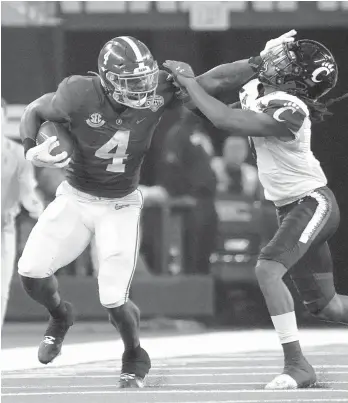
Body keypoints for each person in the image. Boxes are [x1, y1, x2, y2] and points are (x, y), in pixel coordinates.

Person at [18, 33, 290, 388]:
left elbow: (212, 81)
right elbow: (35, 110)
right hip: (76, 195)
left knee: (113, 296)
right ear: (107, 80)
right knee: (30, 271)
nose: (142, 89)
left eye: (145, 80)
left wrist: (259, 61)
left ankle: (134, 354)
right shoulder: (78, 91)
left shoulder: (157, 90)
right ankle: (60, 315)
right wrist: (29, 148)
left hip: (119, 203)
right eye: (132, 83)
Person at [163, 32, 348, 390]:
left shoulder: (291, 109)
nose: (278, 63)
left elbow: (226, 121)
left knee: (266, 269)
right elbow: (201, 102)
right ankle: (298, 364)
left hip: (312, 201)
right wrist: (248, 63)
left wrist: (190, 81)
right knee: (328, 307)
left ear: (298, 78)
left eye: (288, 62)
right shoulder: (262, 92)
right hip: (291, 207)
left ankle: (297, 366)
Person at [1, 99, 44, 327]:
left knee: (0, 289)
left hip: (3, 229)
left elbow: (29, 194)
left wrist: (41, 213)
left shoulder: (18, 155)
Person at [157, 110, 217, 275]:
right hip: (191, 200)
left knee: (207, 246)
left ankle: (204, 283)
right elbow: (171, 166)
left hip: (208, 199)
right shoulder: (177, 133)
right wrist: (181, 194)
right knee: (191, 247)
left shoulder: (202, 135)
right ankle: (190, 281)